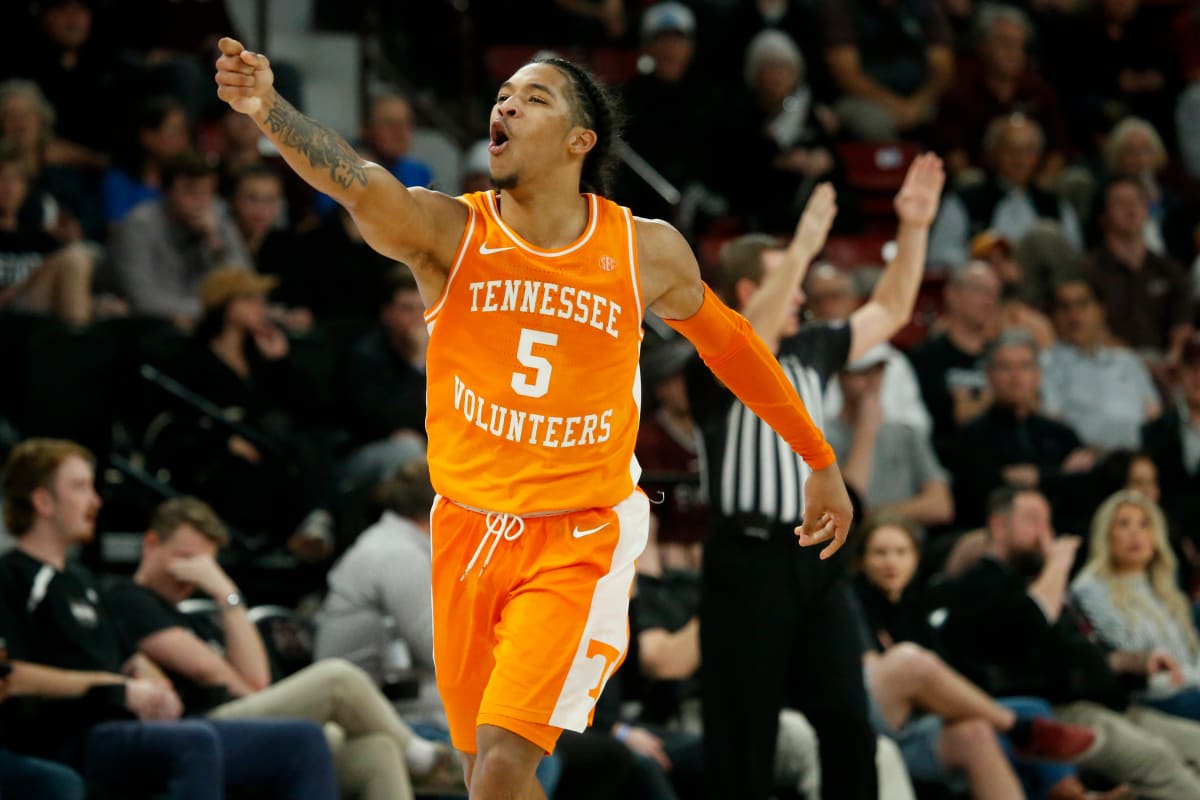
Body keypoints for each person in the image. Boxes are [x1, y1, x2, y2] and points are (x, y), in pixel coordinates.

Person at [214, 35, 855, 800]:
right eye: (503, 96)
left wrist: (818, 458)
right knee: (482, 772)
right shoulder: (450, 234)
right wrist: (268, 109)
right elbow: (353, 180)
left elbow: (734, 346)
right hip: (466, 527)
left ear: (581, 140)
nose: (507, 104)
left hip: (578, 534)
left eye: (534, 97)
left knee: (503, 761)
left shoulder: (642, 250)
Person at [686, 162, 944, 800]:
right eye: (789, 281)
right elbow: (748, 341)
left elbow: (891, 308)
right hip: (746, 559)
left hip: (816, 555)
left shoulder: (814, 350)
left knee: (848, 719)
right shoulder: (711, 358)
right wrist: (801, 246)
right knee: (744, 731)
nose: (802, 295)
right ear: (750, 288)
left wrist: (914, 228)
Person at [0, 437, 341, 800]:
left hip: (127, 725)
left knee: (304, 739)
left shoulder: (84, 581)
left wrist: (158, 689)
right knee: (195, 741)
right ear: (43, 501)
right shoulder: (12, 575)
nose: (96, 501)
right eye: (80, 487)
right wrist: (115, 687)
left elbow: (131, 659)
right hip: (69, 732)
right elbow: (13, 675)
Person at [105, 494, 466, 799]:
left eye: (206, 564)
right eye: (185, 559)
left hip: (240, 719)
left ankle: (424, 759)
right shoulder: (129, 600)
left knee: (377, 751)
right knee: (337, 679)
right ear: (151, 543)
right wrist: (224, 593)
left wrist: (225, 594)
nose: (193, 574)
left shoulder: (198, 618)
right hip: (197, 729)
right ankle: (430, 760)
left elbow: (256, 679)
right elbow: (212, 672)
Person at [932, 487, 1200, 798]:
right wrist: (1058, 564)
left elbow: (1079, 650)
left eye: (1048, 522)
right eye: (1032, 520)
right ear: (998, 525)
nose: (1044, 534)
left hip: (1110, 704)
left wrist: (1133, 661)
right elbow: (1029, 624)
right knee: (1158, 760)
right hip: (1054, 713)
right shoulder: (980, 585)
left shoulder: (1033, 584)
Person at [853, 514, 1102, 800]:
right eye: (880, 553)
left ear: (915, 559)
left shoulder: (917, 605)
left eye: (900, 552)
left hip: (921, 719)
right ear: (861, 561)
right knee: (909, 660)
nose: (891, 562)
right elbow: (870, 666)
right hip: (877, 713)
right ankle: (1018, 730)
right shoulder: (853, 601)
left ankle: (1070, 791)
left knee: (982, 730)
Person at [1070, 490, 1200, 720]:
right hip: (1149, 696)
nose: (1135, 534)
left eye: (1144, 524)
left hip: (1188, 685)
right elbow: (1134, 659)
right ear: (1106, 534)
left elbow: (1189, 655)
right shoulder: (1091, 587)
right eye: (1123, 524)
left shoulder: (1162, 584)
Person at [952, 328, 1094, 530]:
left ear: (1038, 376)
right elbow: (985, 496)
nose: (1016, 377)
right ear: (989, 375)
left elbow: (1086, 487)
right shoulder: (972, 436)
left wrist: (1039, 477)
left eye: (1025, 366)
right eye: (1005, 367)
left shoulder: (1062, 434)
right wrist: (1061, 475)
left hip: (1063, 531)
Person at [108, 149, 252, 324]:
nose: (201, 202)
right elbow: (142, 299)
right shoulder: (138, 226)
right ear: (166, 191)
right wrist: (213, 311)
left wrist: (217, 246)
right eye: (190, 192)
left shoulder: (218, 222)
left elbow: (246, 286)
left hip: (202, 324)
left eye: (208, 192)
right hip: (150, 326)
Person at [825, 346, 954, 528]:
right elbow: (843, 509)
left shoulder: (906, 434)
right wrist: (865, 432)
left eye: (878, 371)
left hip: (905, 538)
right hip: (849, 542)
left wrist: (874, 517)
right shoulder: (822, 438)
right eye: (861, 373)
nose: (871, 382)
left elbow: (941, 506)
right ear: (839, 375)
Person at [1041, 276, 1160, 451]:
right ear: (1053, 317)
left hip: (1139, 455)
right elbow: (1053, 420)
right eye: (1064, 307)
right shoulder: (1045, 364)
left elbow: (1153, 414)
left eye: (1082, 305)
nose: (1074, 315)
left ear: (1100, 311)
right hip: (1086, 458)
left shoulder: (1128, 361)